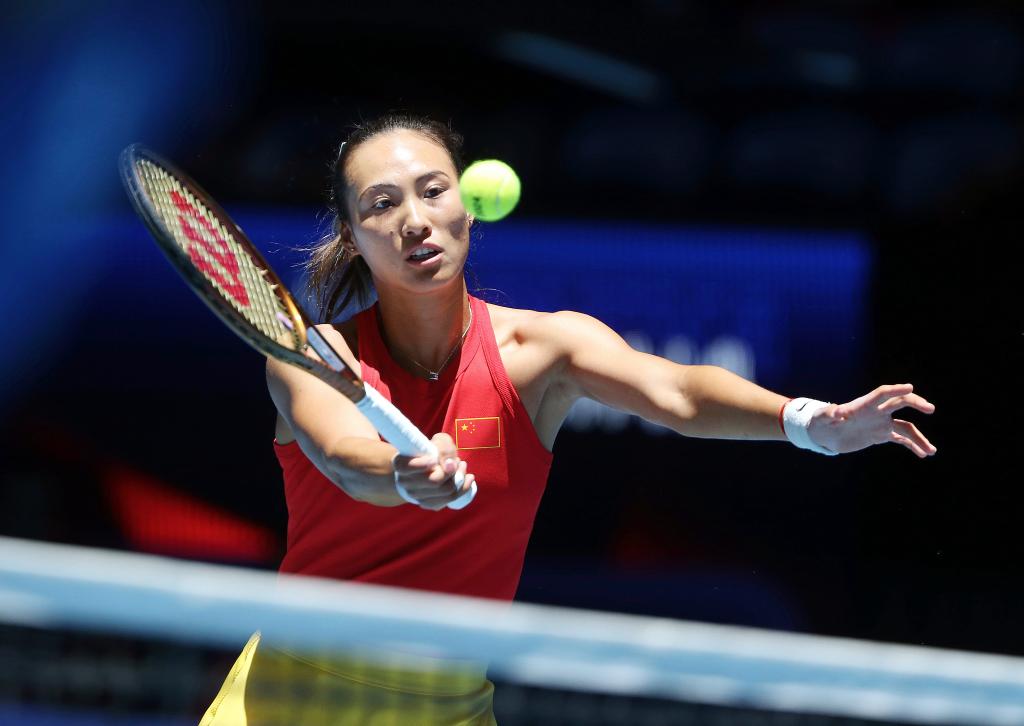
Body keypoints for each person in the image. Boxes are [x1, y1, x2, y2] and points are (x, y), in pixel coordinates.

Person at [200, 114, 936, 725]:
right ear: (352, 235)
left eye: (433, 191)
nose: (415, 220)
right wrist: (403, 473)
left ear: (467, 206)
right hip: (285, 700)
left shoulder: (541, 353)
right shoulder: (315, 354)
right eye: (382, 204)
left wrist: (808, 421)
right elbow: (340, 455)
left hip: (446, 709)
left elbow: (677, 391)